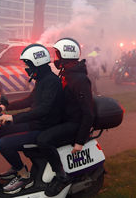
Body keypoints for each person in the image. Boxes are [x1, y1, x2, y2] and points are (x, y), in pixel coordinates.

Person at [0, 44, 64, 194]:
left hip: (44, 127)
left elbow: (43, 110)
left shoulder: (52, 82)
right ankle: (17, 167)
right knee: (0, 131)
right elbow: (29, 100)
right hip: (36, 123)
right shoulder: (42, 79)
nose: (27, 67)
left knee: (5, 144)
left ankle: (24, 176)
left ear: (37, 64)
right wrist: (6, 107)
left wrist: (13, 118)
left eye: (28, 64)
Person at [36, 38, 94, 196]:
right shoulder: (68, 73)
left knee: (43, 139)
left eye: (57, 54)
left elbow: (88, 112)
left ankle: (62, 176)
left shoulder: (79, 79)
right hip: (66, 119)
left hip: (75, 123)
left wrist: (80, 141)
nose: (56, 58)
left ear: (66, 55)